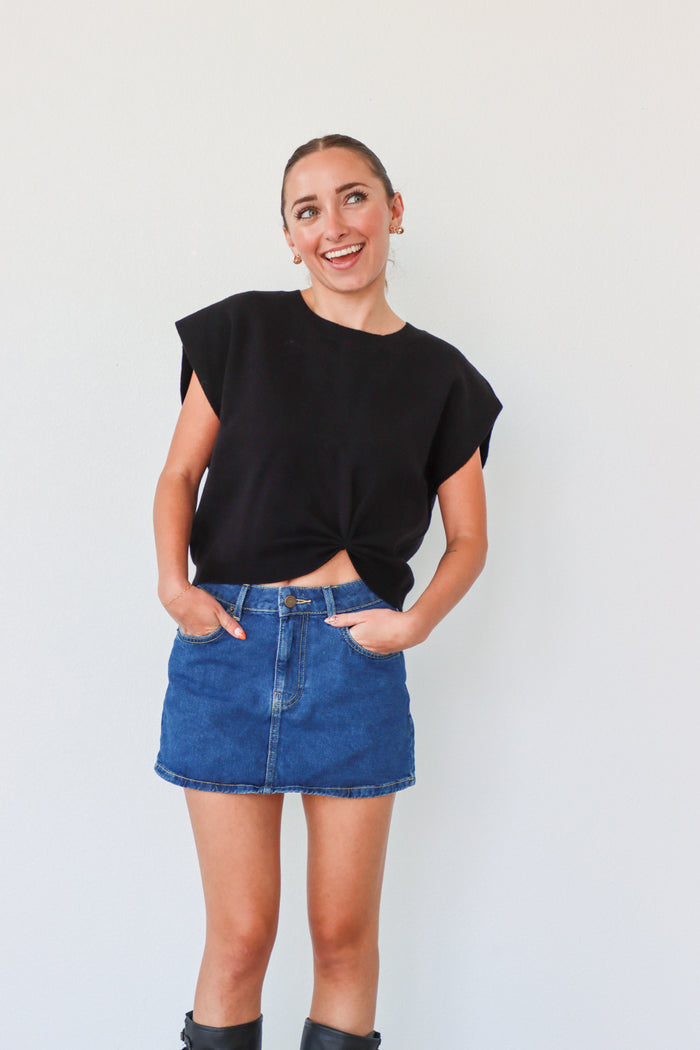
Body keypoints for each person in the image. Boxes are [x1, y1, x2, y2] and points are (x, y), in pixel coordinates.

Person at [153, 133, 502, 1050]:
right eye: (308, 210)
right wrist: (172, 588)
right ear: (289, 236)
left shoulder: (442, 377)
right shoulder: (240, 332)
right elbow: (177, 476)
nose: (334, 226)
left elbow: (469, 536)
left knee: (343, 940)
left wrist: (415, 622)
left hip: (355, 657)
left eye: (354, 199)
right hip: (228, 647)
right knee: (238, 937)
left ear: (393, 209)